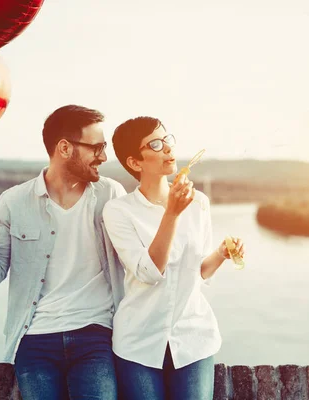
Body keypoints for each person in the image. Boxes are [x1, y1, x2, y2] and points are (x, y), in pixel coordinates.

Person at [0, 105, 126, 400]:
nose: (103, 156)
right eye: (97, 147)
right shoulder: (14, 201)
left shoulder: (111, 194)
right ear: (64, 147)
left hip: (96, 335)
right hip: (34, 340)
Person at [102, 116, 245, 400]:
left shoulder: (199, 203)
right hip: (138, 343)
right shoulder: (118, 211)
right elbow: (148, 272)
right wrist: (172, 214)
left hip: (193, 337)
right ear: (135, 162)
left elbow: (197, 273)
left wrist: (221, 254)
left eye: (168, 140)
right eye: (155, 144)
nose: (168, 148)